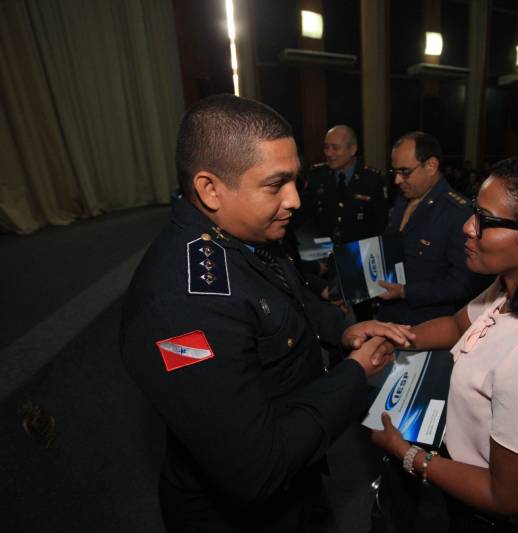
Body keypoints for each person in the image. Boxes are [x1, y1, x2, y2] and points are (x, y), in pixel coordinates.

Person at [120, 95, 414, 533]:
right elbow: (256, 467)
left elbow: (289, 297)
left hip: (299, 475)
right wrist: (354, 373)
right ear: (210, 189)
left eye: (295, 180)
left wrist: (345, 330)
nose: (295, 200)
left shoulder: (239, 232)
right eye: (276, 185)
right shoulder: (183, 307)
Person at [372, 157, 518, 532]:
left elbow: (511, 501)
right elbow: (455, 325)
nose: (467, 227)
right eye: (473, 211)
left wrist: (407, 454)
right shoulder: (512, 285)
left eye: (485, 219)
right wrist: (392, 335)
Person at [376, 131, 491, 326]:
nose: (397, 180)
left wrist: (405, 291)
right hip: (388, 316)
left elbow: (461, 284)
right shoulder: (403, 200)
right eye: (394, 172)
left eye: (404, 172)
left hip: (427, 325)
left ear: (431, 166)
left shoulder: (458, 212)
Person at [296, 124, 388, 244]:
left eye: (335, 147)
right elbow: (303, 215)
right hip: (324, 252)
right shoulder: (317, 176)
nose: (329, 153)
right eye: (326, 147)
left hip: (360, 253)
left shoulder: (372, 179)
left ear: (352, 149)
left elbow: (381, 225)